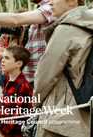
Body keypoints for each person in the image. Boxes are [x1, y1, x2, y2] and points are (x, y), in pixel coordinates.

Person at [35, 0, 91, 136]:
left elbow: (46, 75)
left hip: (61, 116)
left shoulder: (67, 29)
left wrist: (36, 101)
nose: (50, 2)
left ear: (72, 1)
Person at [0, 46, 33, 137]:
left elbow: (16, 116)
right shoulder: (8, 81)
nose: (2, 60)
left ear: (18, 63)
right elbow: (2, 108)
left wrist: (3, 132)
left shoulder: (23, 86)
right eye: (3, 57)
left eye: (7, 58)